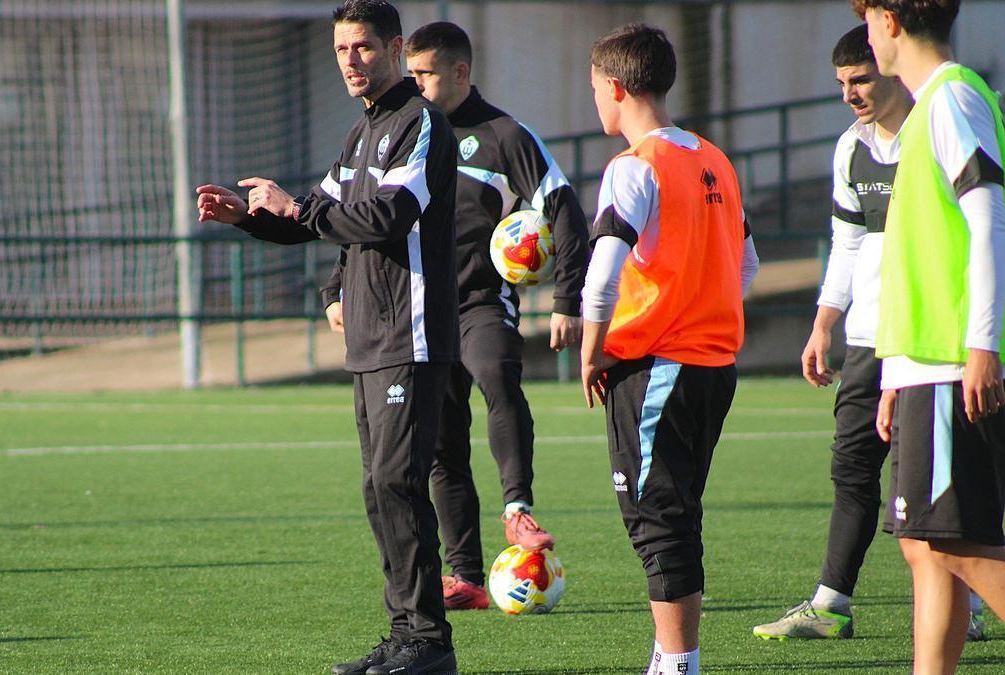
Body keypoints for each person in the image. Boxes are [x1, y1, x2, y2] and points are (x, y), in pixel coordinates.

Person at [196, 2, 461, 673]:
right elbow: (320, 219)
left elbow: (387, 215)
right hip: (369, 339)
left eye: (364, 47)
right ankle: (405, 634)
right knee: (380, 487)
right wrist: (252, 219)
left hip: (412, 333)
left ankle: (428, 643)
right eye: (342, 49)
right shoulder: (358, 136)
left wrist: (302, 208)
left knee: (399, 481)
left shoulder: (419, 124)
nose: (351, 60)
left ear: (395, 49)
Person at [364, 20, 588, 611]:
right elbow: (363, 214)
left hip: (482, 302)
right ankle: (464, 576)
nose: (415, 83)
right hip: (419, 311)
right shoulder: (404, 132)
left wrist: (567, 301)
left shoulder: (503, 135)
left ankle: (518, 511)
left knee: (497, 375)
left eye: (426, 74)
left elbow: (564, 210)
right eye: (410, 73)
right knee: (441, 445)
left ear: (460, 72)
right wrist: (337, 288)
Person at [579, 24, 759, 675]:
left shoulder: (635, 166)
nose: (594, 99)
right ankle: (669, 654)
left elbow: (603, 272)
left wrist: (592, 351)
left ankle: (680, 662)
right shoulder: (715, 158)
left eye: (595, 87)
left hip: (659, 364)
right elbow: (749, 263)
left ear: (617, 87)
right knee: (674, 510)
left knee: (658, 516)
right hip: (714, 365)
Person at [753, 23, 936, 640]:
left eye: (859, 79)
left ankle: (966, 605)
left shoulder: (937, 129)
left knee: (932, 479)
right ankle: (831, 604)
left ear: (889, 64)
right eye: (841, 83)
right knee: (853, 469)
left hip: (929, 340)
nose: (849, 93)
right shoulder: (850, 147)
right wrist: (822, 324)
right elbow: (848, 244)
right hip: (866, 340)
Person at [855, 0, 1005, 672]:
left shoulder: (951, 101)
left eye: (867, 19)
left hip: (951, 362)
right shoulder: (926, 112)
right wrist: (895, 375)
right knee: (925, 546)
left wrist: (982, 343)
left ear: (888, 20)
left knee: (950, 542)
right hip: (924, 366)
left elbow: (989, 220)